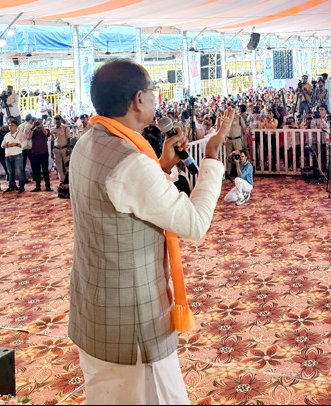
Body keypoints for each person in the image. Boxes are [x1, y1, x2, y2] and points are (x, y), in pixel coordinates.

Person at [68, 58, 235, 405]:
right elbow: (194, 222)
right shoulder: (130, 162)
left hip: (95, 311)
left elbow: (121, 198)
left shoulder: (87, 143)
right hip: (133, 324)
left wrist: (160, 166)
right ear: (138, 100)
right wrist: (214, 158)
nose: (158, 99)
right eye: (154, 91)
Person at [1, 120, 26, 194]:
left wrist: (15, 144)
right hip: (8, 156)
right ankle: (12, 186)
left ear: (16, 127)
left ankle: (21, 187)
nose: (10, 127)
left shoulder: (20, 134)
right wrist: (5, 145)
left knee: (19, 172)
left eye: (12, 125)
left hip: (17, 156)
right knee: (10, 172)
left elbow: (24, 144)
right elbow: (2, 145)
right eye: (9, 125)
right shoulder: (7, 135)